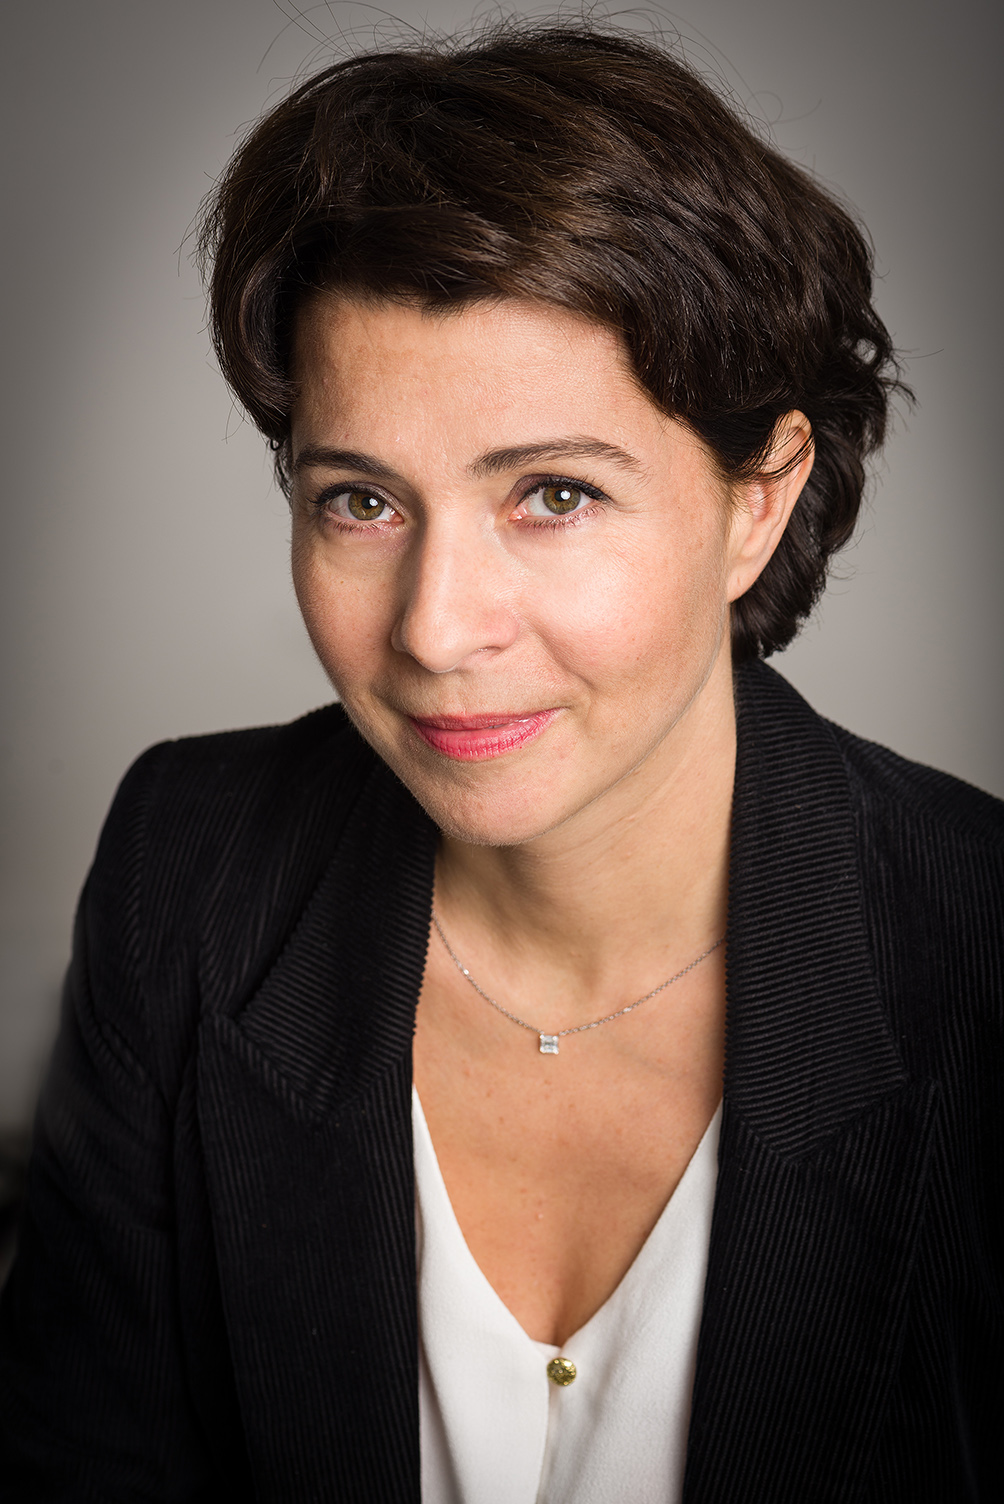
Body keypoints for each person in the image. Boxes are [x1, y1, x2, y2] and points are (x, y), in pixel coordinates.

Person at [1, 21, 1001, 1503]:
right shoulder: (185, 868)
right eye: (360, 501)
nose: (435, 629)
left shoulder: (981, 944)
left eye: (554, 494)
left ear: (759, 499)